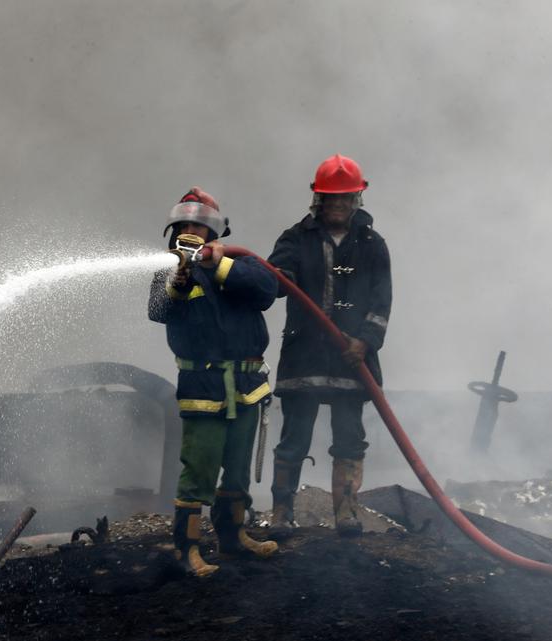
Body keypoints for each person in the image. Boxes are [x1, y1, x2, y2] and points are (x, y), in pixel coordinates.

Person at [147, 187, 280, 577]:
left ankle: (234, 538)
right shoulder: (166, 272)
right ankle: (186, 549)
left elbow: (266, 291)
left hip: (245, 385)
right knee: (199, 471)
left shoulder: (241, 264)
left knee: (237, 469)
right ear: (174, 231)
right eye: (186, 226)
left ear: (215, 233)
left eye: (201, 226)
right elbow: (158, 310)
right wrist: (180, 278)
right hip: (204, 388)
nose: (193, 231)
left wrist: (219, 265)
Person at [267, 155, 392, 538]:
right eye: (330, 200)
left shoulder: (372, 244)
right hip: (305, 356)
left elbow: (381, 300)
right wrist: (280, 275)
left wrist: (365, 342)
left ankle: (347, 513)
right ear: (317, 200)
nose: (337, 206)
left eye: (344, 200)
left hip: (350, 361)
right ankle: (282, 514)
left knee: (350, 438)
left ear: (357, 199)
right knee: (294, 437)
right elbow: (275, 278)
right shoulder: (295, 238)